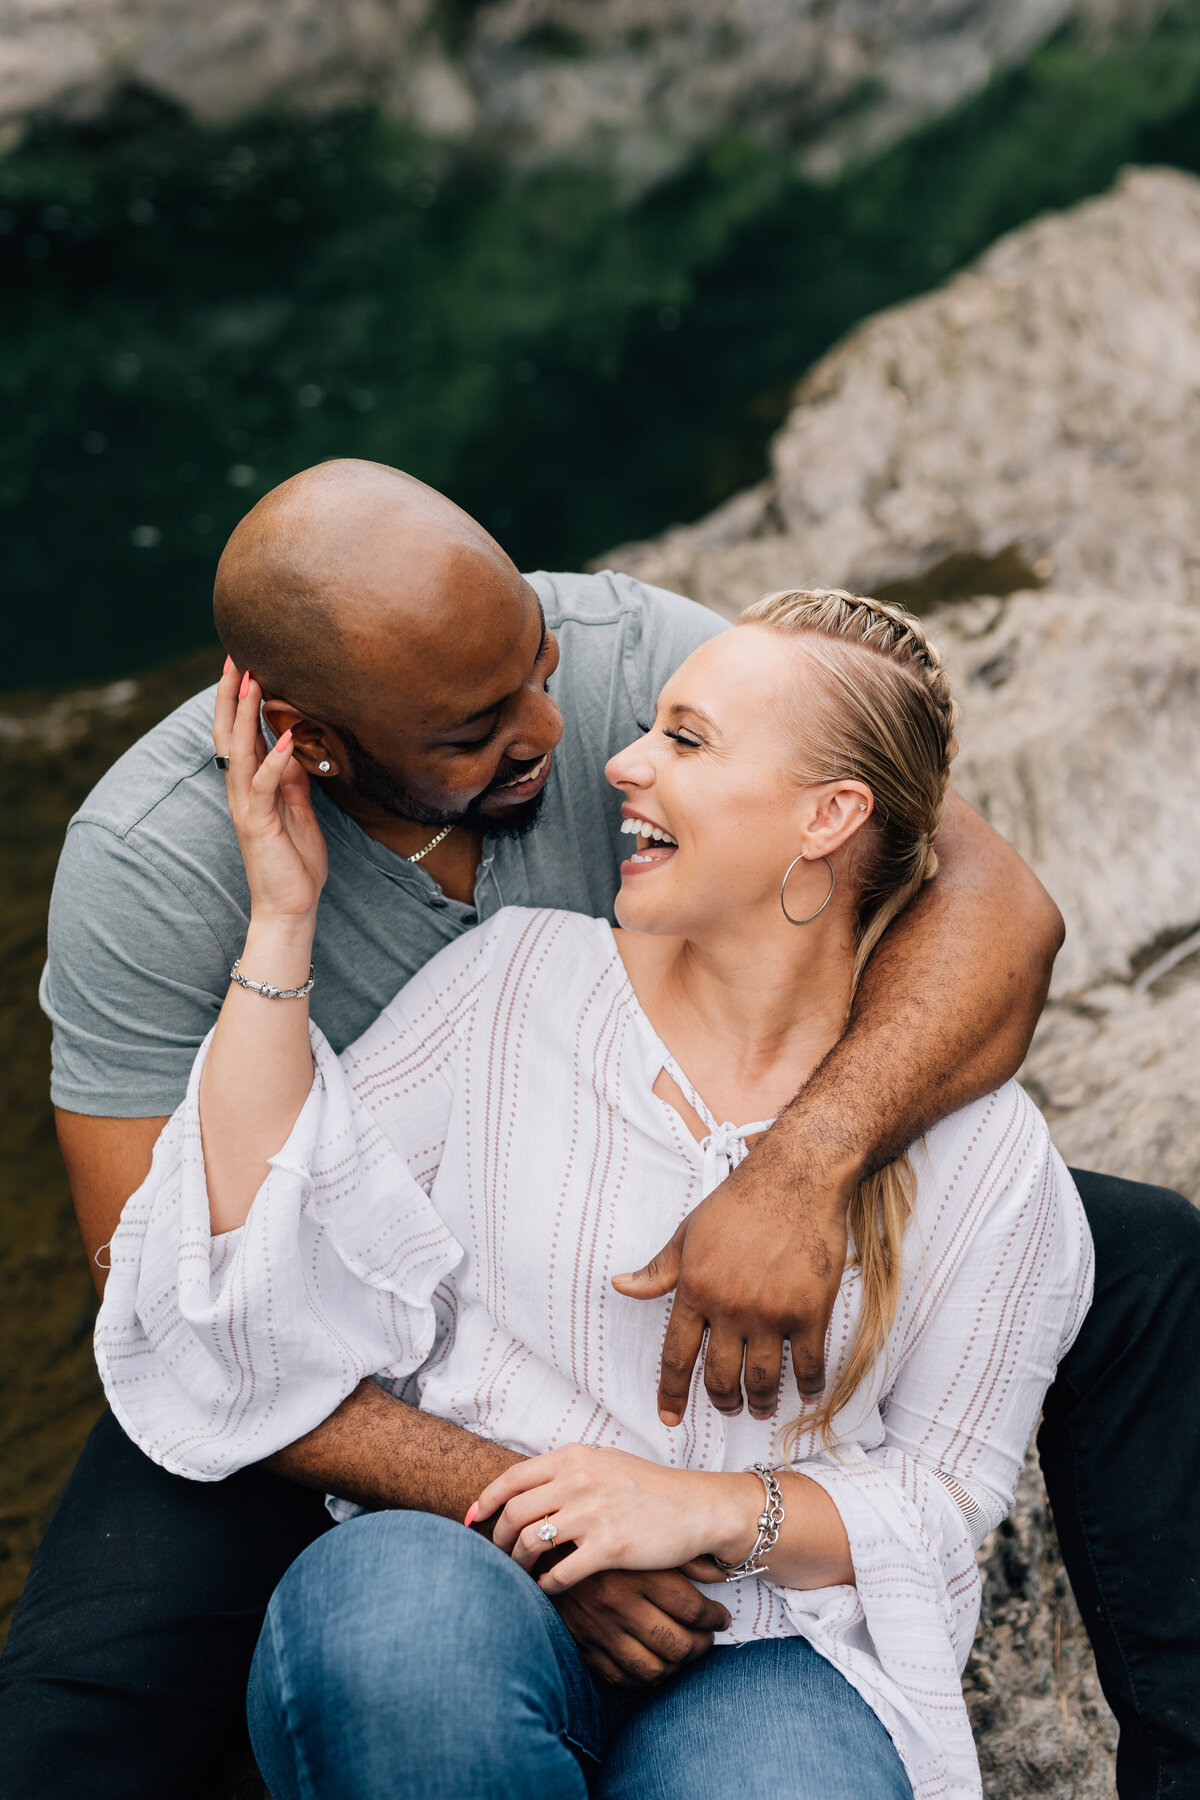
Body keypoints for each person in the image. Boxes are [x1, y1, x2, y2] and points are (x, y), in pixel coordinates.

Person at [0, 462, 1195, 1799]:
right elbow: (173, 1284)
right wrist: (544, 1519)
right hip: (380, 1344)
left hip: (727, 1238)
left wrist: (797, 1175)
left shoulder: (637, 658)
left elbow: (992, 905)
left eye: (544, 666)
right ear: (317, 739)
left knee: (1139, 1255)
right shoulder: (163, 861)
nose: (567, 733)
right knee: (72, 1733)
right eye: (475, 726)